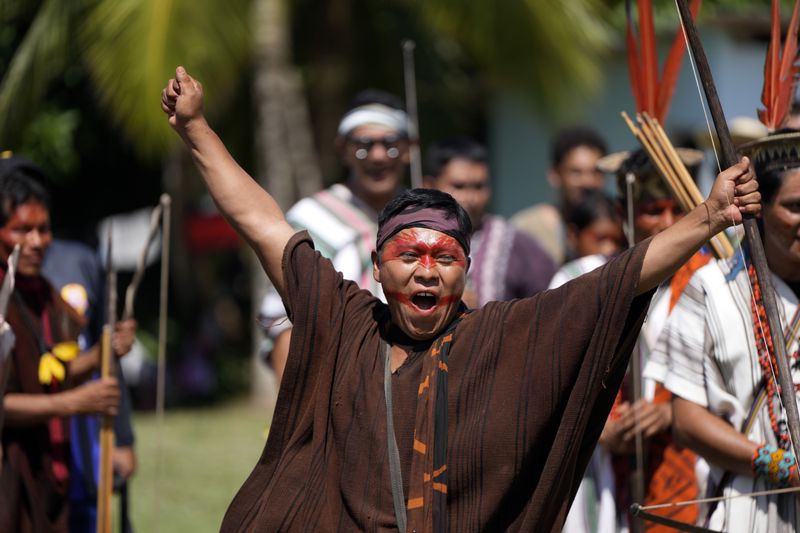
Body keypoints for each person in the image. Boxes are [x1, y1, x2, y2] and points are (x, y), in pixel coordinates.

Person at [161, 66, 759, 531]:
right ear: (376, 266)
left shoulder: (500, 337)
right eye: (408, 257)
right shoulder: (344, 320)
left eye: (444, 259)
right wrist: (196, 128)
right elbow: (263, 223)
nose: (426, 273)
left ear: (466, 269)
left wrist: (708, 217)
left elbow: (616, 282)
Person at [650, 129, 800, 531]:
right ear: (761, 208)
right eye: (794, 207)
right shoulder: (710, 288)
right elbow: (686, 420)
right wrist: (782, 465)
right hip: (747, 512)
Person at [552, 148, 706, 532]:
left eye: (678, 210)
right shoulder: (587, 280)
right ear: (625, 216)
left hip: (692, 474)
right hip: (603, 476)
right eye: (653, 211)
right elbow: (548, 378)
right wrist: (600, 427)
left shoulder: (714, 282)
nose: (668, 223)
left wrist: (671, 413)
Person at [0, 156, 136, 533]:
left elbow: (50, 374)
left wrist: (102, 352)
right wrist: (73, 403)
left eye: (43, 230)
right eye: (21, 230)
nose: (36, 242)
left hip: (47, 474)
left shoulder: (41, 294)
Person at [259, 88, 410, 381]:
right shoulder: (312, 217)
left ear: (408, 149)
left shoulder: (425, 215)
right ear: (344, 149)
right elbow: (283, 321)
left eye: (390, 144)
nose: (378, 156)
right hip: (337, 380)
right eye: (364, 145)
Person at [42, 239, 136, 533]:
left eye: (39, 228)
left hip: (84, 433)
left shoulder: (78, 260)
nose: (32, 240)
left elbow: (107, 359)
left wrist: (123, 437)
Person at [422, 137, 555, 307]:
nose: (471, 198)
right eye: (459, 186)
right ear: (429, 185)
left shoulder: (514, 242)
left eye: (479, 187)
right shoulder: (410, 238)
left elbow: (550, 304)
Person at [512, 127, 608, 265]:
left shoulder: (622, 226)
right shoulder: (527, 230)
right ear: (555, 174)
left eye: (595, 172)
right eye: (576, 172)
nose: (587, 182)